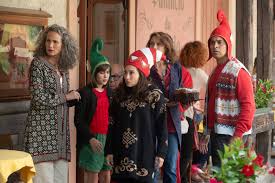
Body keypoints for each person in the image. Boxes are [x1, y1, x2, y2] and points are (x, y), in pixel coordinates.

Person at [24, 24, 80, 183]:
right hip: (41, 136)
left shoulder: (64, 69)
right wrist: (66, 97)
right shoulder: (38, 64)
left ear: (64, 45)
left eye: (55, 42)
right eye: (48, 41)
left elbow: (61, 99)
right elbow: (38, 97)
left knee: (61, 180)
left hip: (60, 137)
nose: (50, 45)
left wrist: (73, 98)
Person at [201, 10, 255, 167]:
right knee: (219, 175)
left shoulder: (238, 71)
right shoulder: (215, 71)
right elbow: (211, 106)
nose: (215, 46)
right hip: (218, 135)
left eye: (220, 42)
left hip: (232, 136)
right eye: (212, 42)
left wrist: (237, 137)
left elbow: (248, 106)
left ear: (228, 45)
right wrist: (207, 132)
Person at [106, 48, 168, 183]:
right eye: (125, 73)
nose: (127, 77)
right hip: (120, 154)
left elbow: (162, 127)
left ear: (141, 73)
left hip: (144, 154)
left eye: (131, 73)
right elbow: (111, 125)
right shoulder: (118, 96)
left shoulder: (155, 95)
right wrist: (109, 151)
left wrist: (161, 153)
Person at [146, 32, 193, 183]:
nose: (154, 47)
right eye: (151, 43)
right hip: (152, 123)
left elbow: (183, 90)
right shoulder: (146, 67)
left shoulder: (176, 68)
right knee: (152, 166)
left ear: (166, 47)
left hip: (172, 123)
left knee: (171, 167)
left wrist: (185, 102)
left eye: (158, 44)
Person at [74, 38, 112, 183]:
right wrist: (90, 138)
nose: (105, 76)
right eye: (102, 72)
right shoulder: (85, 93)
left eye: (108, 72)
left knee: (106, 174)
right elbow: (79, 120)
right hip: (92, 139)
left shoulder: (110, 93)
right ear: (94, 72)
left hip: (106, 138)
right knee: (93, 175)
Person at [179, 41, 210, 182]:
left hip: (177, 114)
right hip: (191, 116)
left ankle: (185, 175)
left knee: (179, 151)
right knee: (190, 151)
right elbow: (211, 90)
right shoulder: (199, 73)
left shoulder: (180, 70)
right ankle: (191, 174)